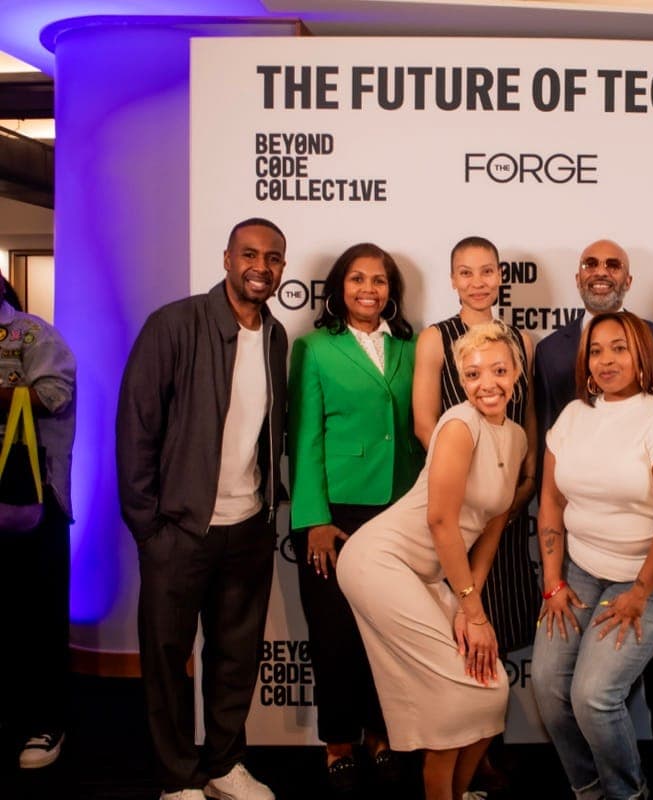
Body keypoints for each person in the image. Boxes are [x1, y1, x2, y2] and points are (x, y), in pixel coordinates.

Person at [117, 218, 288, 800]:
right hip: (180, 530)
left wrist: (268, 512)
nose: (260, 267)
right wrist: (149, 524)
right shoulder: (175, 324)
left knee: (235, 655)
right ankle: (176, 777)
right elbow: (136, 426)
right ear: (226, 259)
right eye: (249, 254)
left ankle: (223, 766)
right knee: (166, 659)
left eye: (272, 258)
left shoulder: (276, 335)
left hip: (248, 526)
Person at [337, 321, 526, 800]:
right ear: (461, 380)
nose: (488, 383)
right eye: (473, 374)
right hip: (379, 561)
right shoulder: (459, 425)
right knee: (454, 697)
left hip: (427, 574)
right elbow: (442, 522)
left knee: (492, 687)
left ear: (517, 372)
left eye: (499, 370)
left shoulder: (518, 438)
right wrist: (472, 611)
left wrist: (472, 603)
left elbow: (492, 529)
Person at [532, 311, 653, 800]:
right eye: (596, 350)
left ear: (642, 355)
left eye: (619, 348)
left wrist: (640, 592)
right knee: (547, 687)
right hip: (582, 569)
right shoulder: (572, 416)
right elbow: (551, 502)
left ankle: (627, 793)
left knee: (593, 696)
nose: (606, 360)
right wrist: (553, 581)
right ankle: (589, 788)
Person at [286, 243, 423, 795]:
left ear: (393, 290)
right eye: (358, 279)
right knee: (335, 633)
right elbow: (304, 436)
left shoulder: (411, 348)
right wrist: (314, 517)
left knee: (386, 632)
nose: (370, 289)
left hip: (400, 507)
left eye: (380, 280)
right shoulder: (314, 347)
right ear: (338, 287)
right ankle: (338, 740)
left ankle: (380, 731)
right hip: (336, 511)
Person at [411, 235, 539, 658]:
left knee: (504, 614)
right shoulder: (435, 338)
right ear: (452, 280)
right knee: (460, 618)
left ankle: (493, 718)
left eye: (486, 271)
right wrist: (469, 483)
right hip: (460, 501)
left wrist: (528, 476)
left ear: (501, 276)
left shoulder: (522, 340)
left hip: (510, 500)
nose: (477, 282)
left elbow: (528, 416)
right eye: (466, 273)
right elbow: (424, 424)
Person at [0, 276, 76, 770]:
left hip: (27, 495)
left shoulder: (30, 334)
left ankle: (46, 721)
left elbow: (55, 393)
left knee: (36, 613)